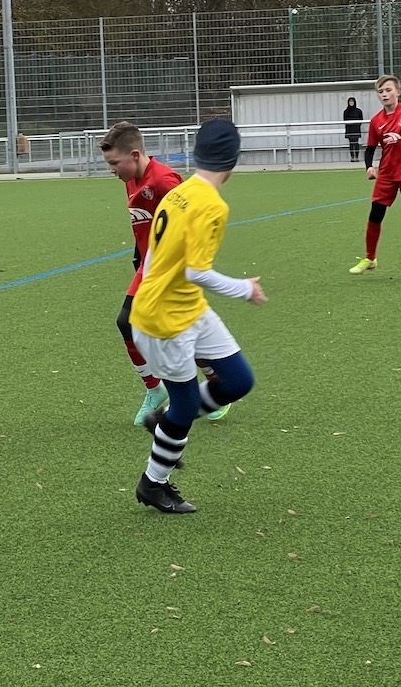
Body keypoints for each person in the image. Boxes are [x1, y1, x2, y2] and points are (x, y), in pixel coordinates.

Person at [129, 120, 266, 514]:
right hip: (164, 319)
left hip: (187, 307)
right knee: (186, 406)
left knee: (238, 380)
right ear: (234, 161)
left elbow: (155, 258)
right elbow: (196, 271)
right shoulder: (211, 205)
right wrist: (245, 289)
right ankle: (153, 484)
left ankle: (164, 419)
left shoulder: (179, 193)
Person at [100, 122, 229, 426]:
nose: (111, 170)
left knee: (178, 332)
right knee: (127, 323)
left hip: (171, 270)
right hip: (149, 266)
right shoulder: (130, 179)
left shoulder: (164, 181)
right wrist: (139, 256)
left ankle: (217, 386)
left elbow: (192, 219)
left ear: (135, 155)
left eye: (114, 163)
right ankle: (155, 389)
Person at [348, 74, 401, 282]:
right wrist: (369, 167)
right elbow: (370, 149)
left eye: (388, 90)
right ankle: (370, 258)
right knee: (375, 215)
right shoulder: (376, 121)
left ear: (398, 92)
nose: (384, 94)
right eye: (380, 91)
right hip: (386, 176)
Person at [342, 97, 364, 162]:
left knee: (356, 143)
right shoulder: (346, 111)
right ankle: (352, 157)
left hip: (356, 129)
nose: (351, 103)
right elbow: (345, 120)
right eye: (350, 102)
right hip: (349, 129)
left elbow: (361, 120)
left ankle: (356, 157)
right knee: (351, 143)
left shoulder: (358, 111)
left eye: (352, 102)